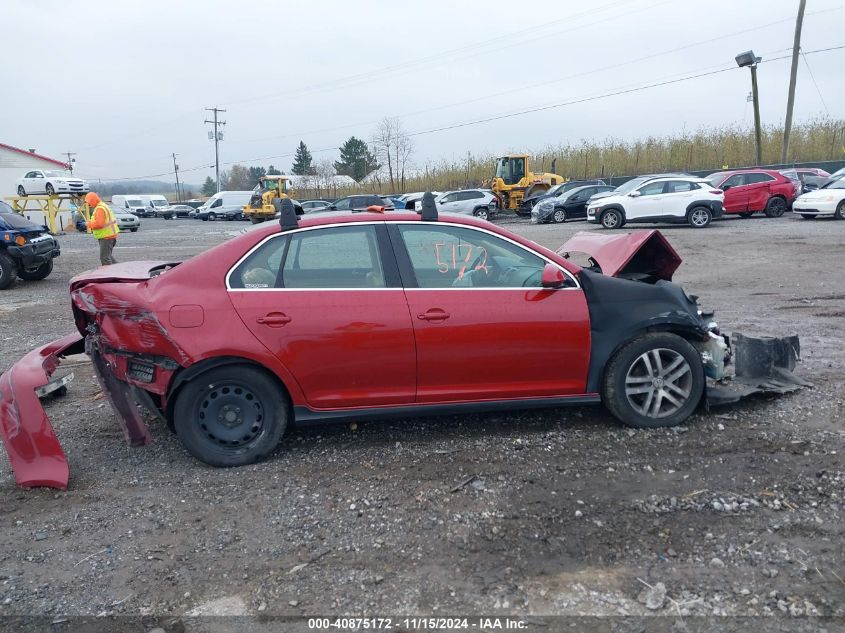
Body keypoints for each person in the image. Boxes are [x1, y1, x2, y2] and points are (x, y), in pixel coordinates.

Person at [84, 191, 120, 265]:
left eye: (90, 202)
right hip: (109, 236)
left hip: (106, 237)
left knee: (105, 259)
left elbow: (99, 224)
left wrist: (88, 224)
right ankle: (120, 269)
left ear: (93, 200)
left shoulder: (100, 208)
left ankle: (110, 275)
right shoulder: (103, 206)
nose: (89, 204)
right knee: (108, 257)